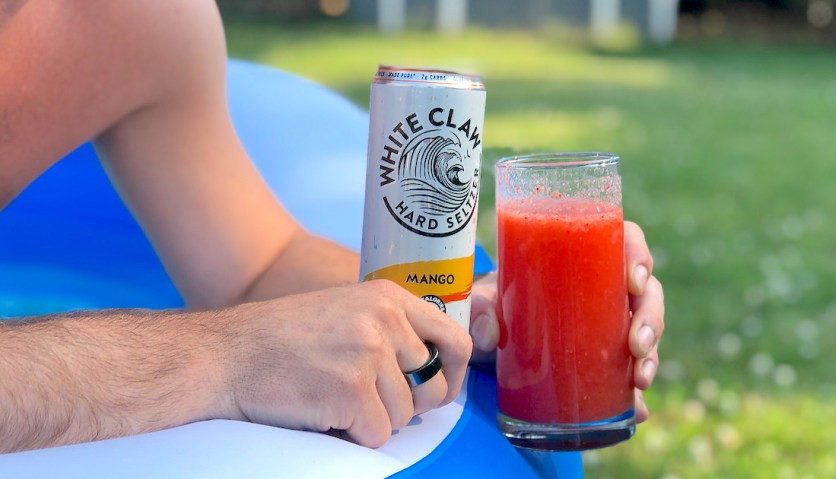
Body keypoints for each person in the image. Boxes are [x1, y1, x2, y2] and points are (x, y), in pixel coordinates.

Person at [0, 0, 665, 455]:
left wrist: (459, 307)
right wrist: (221, 356)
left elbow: (256, 265)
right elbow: (236, 336)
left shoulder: (133, 20)